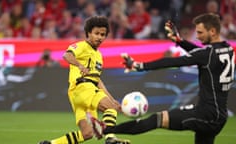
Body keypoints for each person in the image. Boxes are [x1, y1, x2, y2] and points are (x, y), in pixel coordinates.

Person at [99, 13, 235, 144]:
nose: (198, 37)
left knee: (156, 119)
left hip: (206, 114)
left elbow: (172, 62)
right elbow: (200, 53)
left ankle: (106, 129)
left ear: (212, 31)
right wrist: (180, 41)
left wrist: (139, 65)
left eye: (200, 33)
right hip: (218, 116)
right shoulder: (227, 49)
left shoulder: (207, 54)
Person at [39, 16, 130, 144]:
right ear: (88, 33)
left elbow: (97, 80)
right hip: (83, 88)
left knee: (87, 133)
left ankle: (50, 143)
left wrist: (111, 99)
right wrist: (79, 65)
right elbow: (67, 55)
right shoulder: (82, 46)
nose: (99, 37)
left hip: (80, 95)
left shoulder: (99, 56)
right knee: (111, 110)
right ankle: (110, 138)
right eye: (96, 33)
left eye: (103, 34)